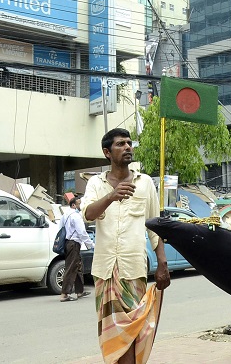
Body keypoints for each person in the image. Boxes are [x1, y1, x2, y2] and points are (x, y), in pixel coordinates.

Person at [81, 128, 169, 364]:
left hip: (134, 271)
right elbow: (88, 214)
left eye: (129, 143)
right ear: (107, 152)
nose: (128, 147)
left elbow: (154, 226)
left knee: (133, 332)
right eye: (121, 144)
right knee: (113, 336)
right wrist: (111, 196)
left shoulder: (145, 183)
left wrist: (162, 262)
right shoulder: (96, 184)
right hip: (105, 272)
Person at [59, 196, 94, 302]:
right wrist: (91, 244)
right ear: (73, 205)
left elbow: (61, 228)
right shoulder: (76, 216)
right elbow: (82, 232)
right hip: (74, 243)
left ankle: (79, 291)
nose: (81, 206)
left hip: (68, 242)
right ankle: (65, 294)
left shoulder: (65, 215)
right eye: (79, 203)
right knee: (71, 268)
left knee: (78, 266)